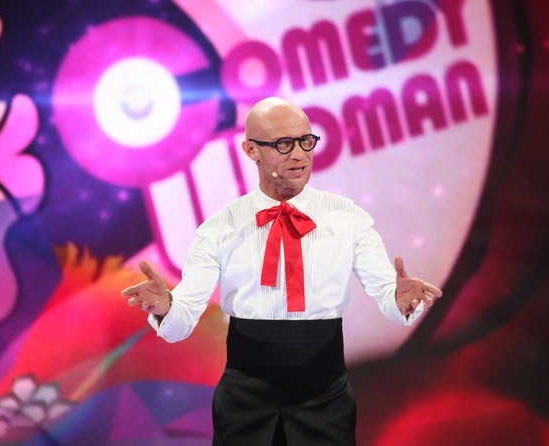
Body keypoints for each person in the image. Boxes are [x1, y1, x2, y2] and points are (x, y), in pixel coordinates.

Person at [120, 96, 443, 445]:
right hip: (245, 393)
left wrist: (401, 300)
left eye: (306, 141)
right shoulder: (221, 227)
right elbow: (181, 320)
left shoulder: (347, 218)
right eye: (284, 144)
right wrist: (165, 306)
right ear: (251, 151)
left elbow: (387, 296)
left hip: (325, 390)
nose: (300, 154)